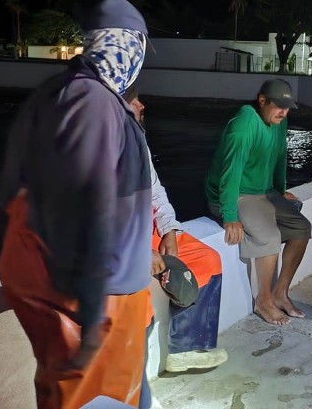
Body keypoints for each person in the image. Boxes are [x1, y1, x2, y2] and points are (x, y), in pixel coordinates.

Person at [0, 0, 153, 408]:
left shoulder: (57, 91)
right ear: (129, 46)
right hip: (103, 299)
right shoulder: (94, 102)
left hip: (85, 289)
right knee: (94, 398)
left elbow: (8, 192)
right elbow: (90, 207)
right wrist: (88, 313)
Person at [122, 88, 227, 408]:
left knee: (208, 259)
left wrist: (169, 230)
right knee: (141, 310)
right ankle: (131, 393)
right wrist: (141, 252)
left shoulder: (138, 141)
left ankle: (186, 349)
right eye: (133, 99)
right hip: (127, 243)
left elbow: (157, 195)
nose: (142, 104)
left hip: (152, 233)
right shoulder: (100, 149)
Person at [205, 78, 311, 326]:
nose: (283, 113)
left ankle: (280, 293)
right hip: (236, 192)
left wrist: (281, 190)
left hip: (264, 192)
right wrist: (229, 215)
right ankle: (263, 300)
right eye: (278, 106)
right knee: (269, 236)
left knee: (302, 228)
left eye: (287, 107)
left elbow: (279, 156)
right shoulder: (243, 126)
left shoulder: (278, 123)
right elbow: (230, 174)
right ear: (262, 101)